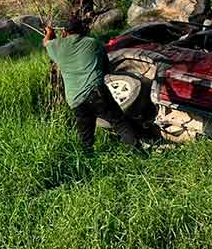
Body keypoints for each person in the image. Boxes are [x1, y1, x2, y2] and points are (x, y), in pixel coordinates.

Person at [43, 18, 141, 155]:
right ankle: (138, 154)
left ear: (64, 32)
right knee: (119, 122)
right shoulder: (94, 43)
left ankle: (87, 159)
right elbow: (107, 69)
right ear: (82, 30)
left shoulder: (57, 46)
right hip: (97, 93)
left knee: (85, 135)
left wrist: (49, 32)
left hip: (75, 100)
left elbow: (46, 42)